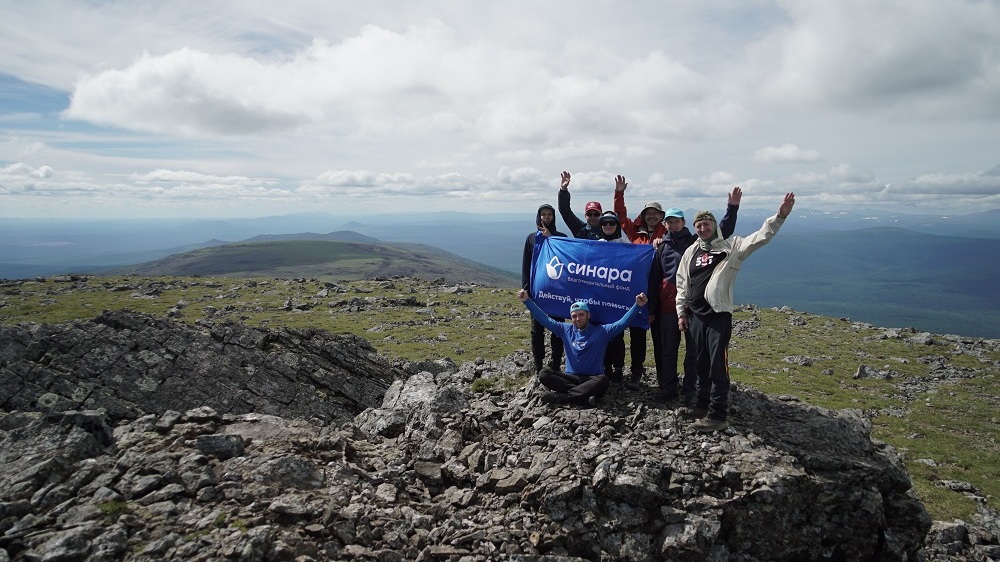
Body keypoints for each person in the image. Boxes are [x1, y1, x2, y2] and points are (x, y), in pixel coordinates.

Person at [675, 192, 796, 432]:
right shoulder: (691, 251)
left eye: (706, 224)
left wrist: (780, 216)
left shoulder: (733, 247)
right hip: (695, 315)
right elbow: (682, 282)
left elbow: (761, 237)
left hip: (718, 315)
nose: (702, 229)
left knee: (717, 365)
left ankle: (718, 415)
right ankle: (701, 407)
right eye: (698, 226)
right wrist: (681, 312)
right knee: (699, 364)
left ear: (714, 226)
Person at [648, 188, 742, 404]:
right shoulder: (661, 247)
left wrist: (732, 208)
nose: (673, 225)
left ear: (683, 223)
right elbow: (654, 279)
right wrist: (652, 308)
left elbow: (722, 230)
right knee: (668, 351)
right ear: (665, 224)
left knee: (693, 354)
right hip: (667, 308)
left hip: (692, 308)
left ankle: (690, 391)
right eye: (669, 222)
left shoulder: (695, 243)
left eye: (677, 221)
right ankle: (669, 388)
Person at [518, 288, 649, 406]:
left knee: (603, 380)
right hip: (571, 378)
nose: (577, 319)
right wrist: (527, 301)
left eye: (581, 315)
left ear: (588, 315)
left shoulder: (602, 331)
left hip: (593, 379)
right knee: (544, 374)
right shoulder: (565, 330)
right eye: (574, 316)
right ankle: (583, 396)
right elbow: (545, 319)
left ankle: (564, 398)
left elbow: (622, 323)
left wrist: (638, 305)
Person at [612, 174, 665, 388]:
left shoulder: (667, 231)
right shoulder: (634, 230)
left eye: (655, 213)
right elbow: (620, 217)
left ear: (661, 216)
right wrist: (619, 193)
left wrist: (665, 241)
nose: (651, 216)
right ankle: (619, 368)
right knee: (627, 326)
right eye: (648, 213)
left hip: (654, 288)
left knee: (639, 331)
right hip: (630, 286)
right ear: (643, 216)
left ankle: (637, 369)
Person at [521, 204, 567, 373]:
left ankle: (556, 363)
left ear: (554, 217)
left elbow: (567, 260)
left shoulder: (561, 237)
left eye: (549, 214)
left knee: (557, 329)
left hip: (557, 293)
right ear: (538, 217)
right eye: (543, 214)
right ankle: (538, 363)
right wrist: (526, 289)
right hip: (536, 292)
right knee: (536, 330)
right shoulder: (531, 238)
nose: (546, 217)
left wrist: (551, 238)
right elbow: (526, 265)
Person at [595, 211, 627, 381]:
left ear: (617, 226)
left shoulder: (625, 243)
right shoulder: (596, 245)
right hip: (600, 297)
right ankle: (605, 366)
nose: (608, 226)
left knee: (616, 335)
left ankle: (619, 368)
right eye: (605, 223)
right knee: (601, 334)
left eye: (612, 223)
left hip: (617, 298)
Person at [558, 171, 605, 240]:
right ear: (585, 216)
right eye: (589, 214)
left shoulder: (608, 230)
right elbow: (565, 211)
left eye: (596, 214)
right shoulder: (579, 229)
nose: (593, 217)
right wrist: (563, 190)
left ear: (601, 215)